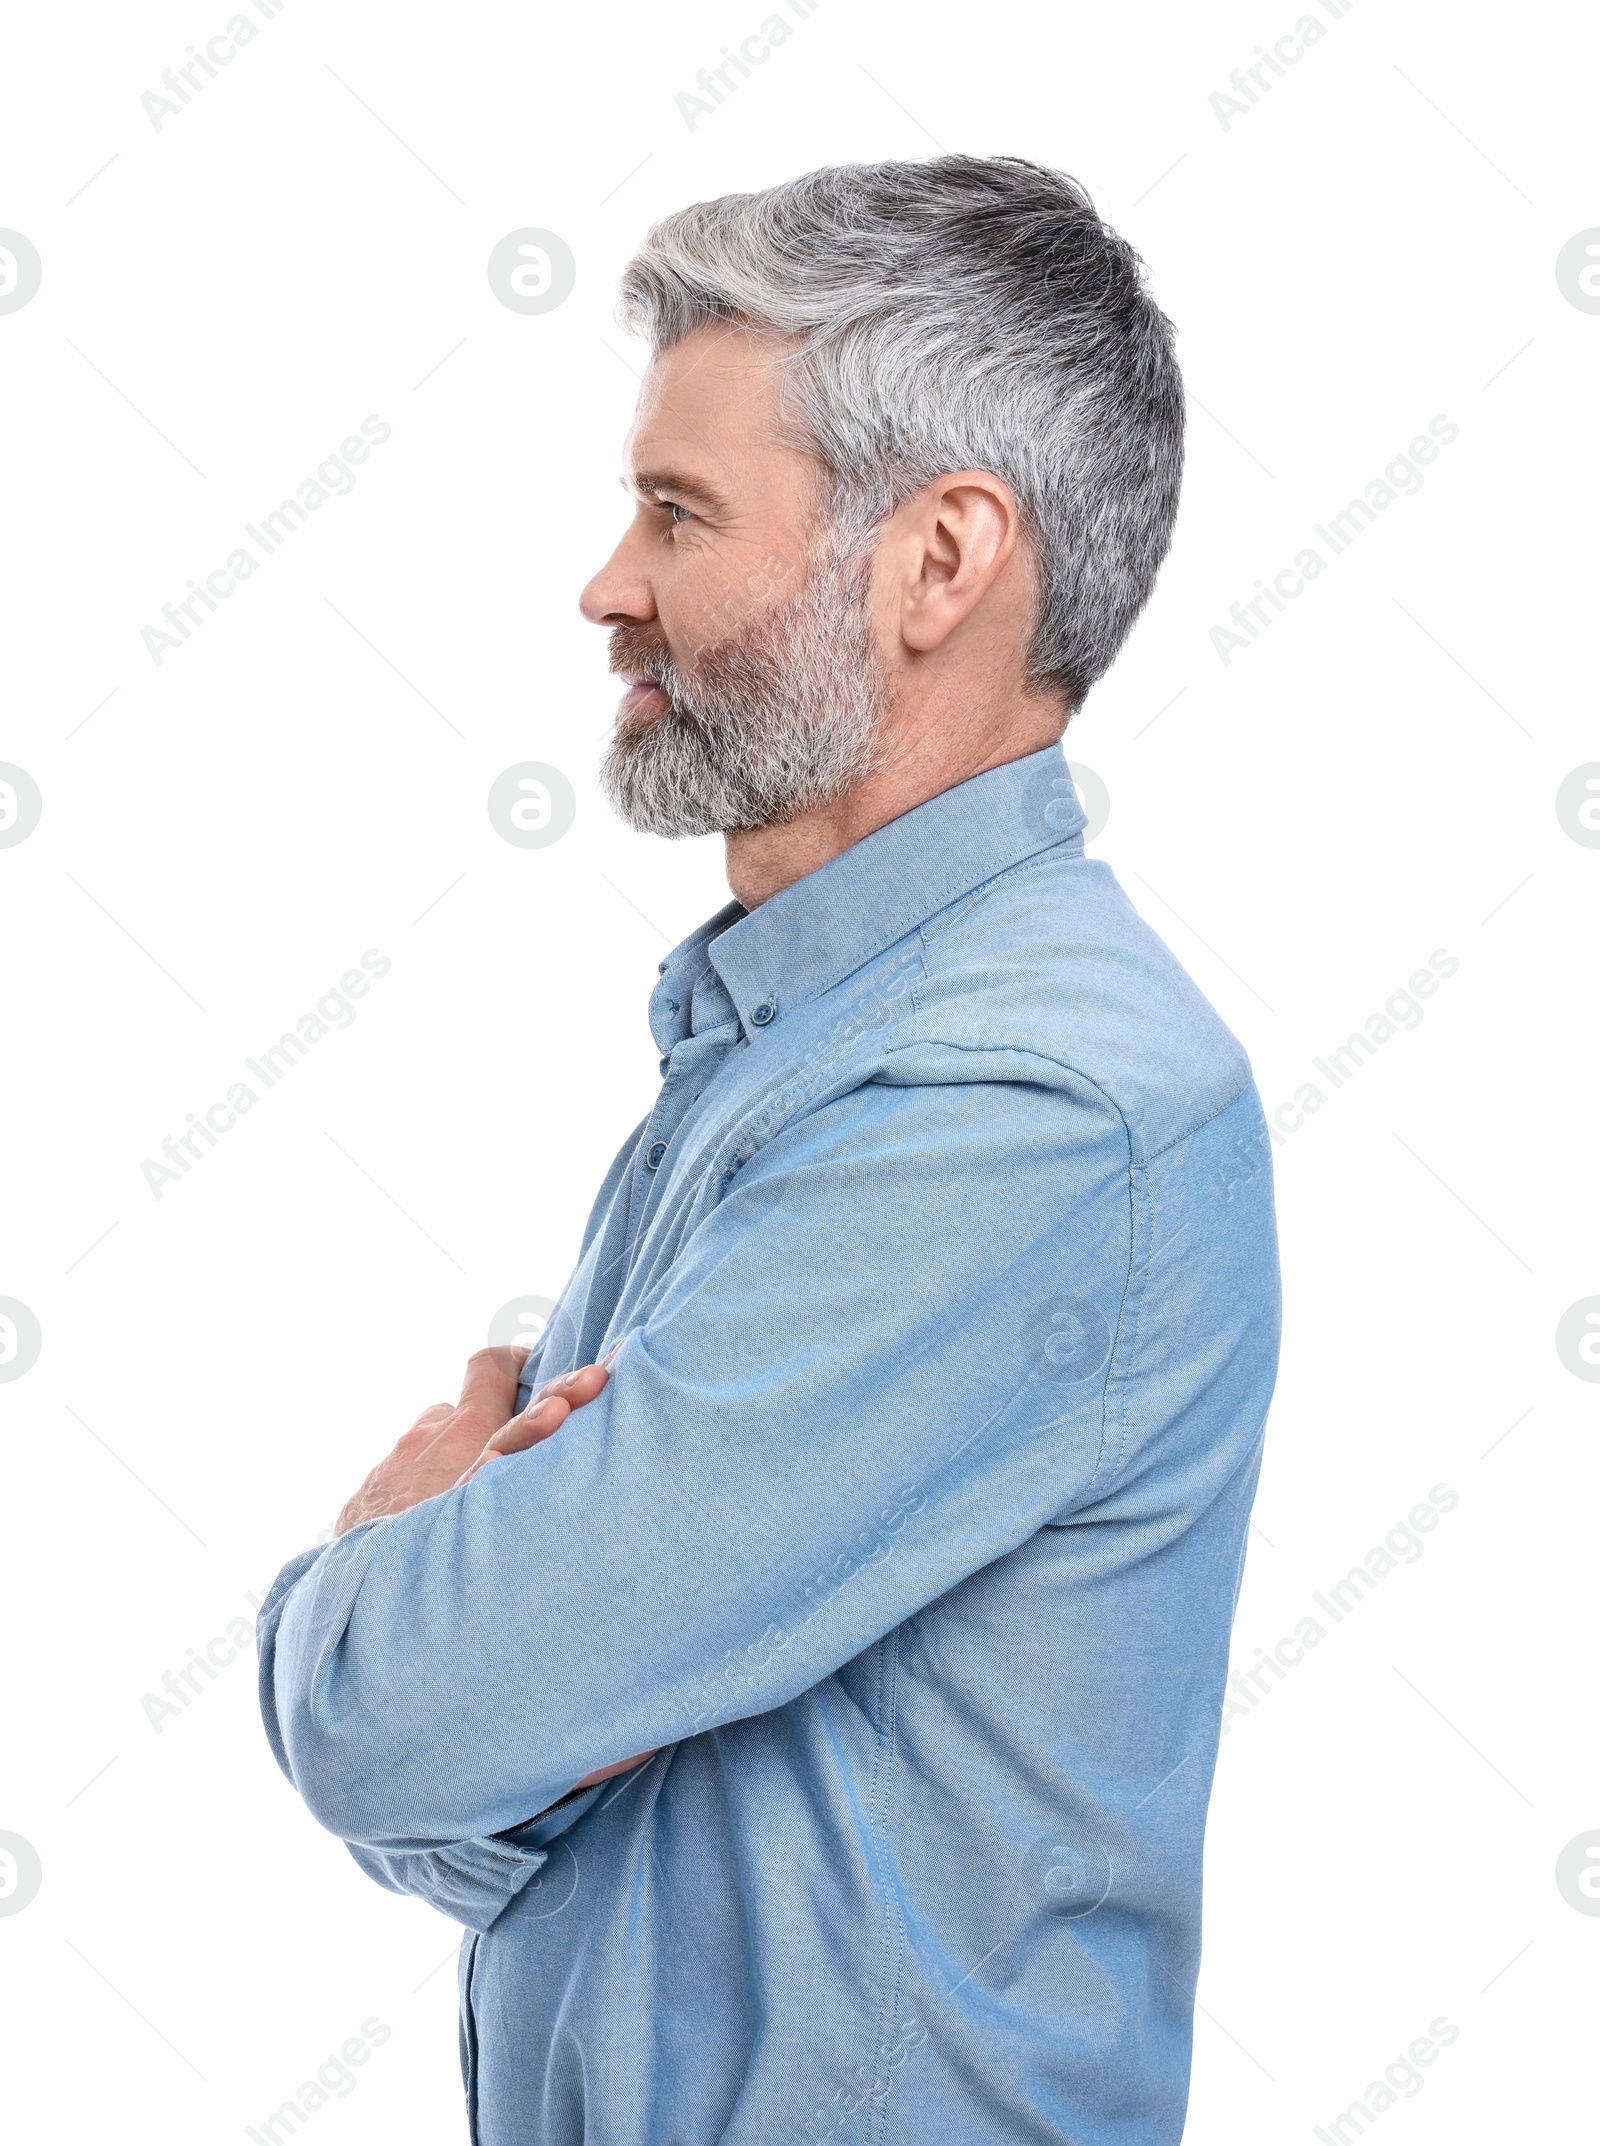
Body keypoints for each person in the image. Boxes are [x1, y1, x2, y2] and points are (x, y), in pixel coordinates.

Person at [259, 155, 1280, 2146]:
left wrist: (377, 1573)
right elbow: (491, 1813)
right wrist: (499, 1701)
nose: (606, 585)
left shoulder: (1023, 1109)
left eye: (679, 513)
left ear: (935, 563)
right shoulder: (780, 1048)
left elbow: (403, 1722)